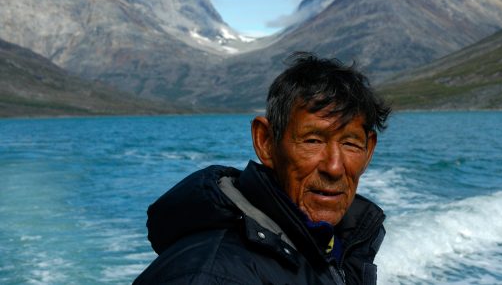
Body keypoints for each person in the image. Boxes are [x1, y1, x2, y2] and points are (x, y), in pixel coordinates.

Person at [133, 53, 391, 285]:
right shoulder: (210, 275)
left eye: (350, 143)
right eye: (313, 141)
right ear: (265, 142)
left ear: (369, 151)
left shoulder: (336, 248)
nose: (334, 167)